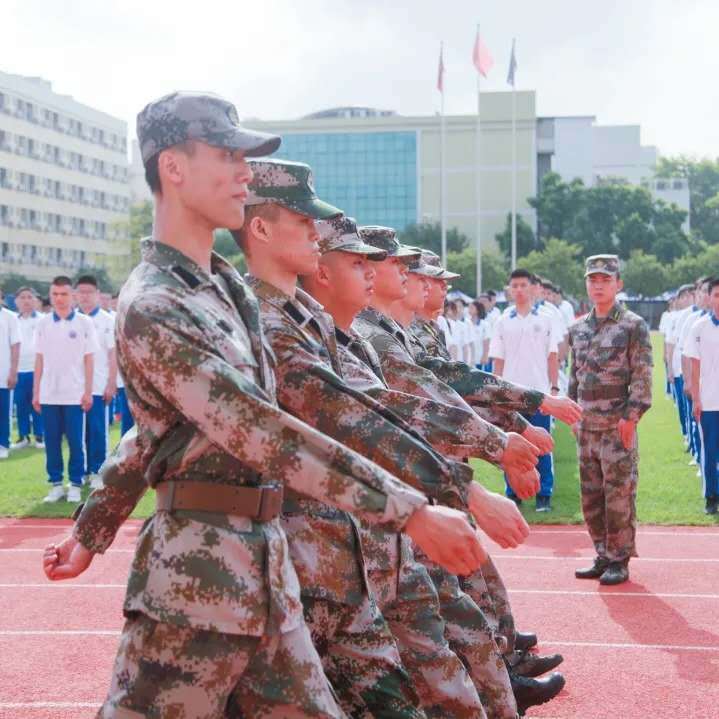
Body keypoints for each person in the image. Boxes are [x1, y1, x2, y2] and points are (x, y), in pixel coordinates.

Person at [43, 92, 479, 719]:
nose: (246, 171)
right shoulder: (156, 303)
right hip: (193, 585)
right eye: (228, 154)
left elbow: (170, 427)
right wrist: (409, 510)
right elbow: (256, 427)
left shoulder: (224, 289)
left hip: (265, 571)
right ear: (173, 167)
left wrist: (94, 525)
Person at [569, 255, 653, 585]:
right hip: (586, 427)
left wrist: (632, 417)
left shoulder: (633, 325)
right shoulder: (578, 328)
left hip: (617, 427)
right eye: (593, 279)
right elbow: (574, 377)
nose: (599, 285)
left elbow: (643, 374)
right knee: (591, 496)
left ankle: (620, 558)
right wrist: (573, 415)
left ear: (618, 284)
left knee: (618, 496)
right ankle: (602, 553)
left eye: (605, 279)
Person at [489, 269, 560, 512]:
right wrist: (495, 394)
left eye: (523, 285)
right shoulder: (502, 320)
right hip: (510, 396)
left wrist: (554, 387)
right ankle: (513, 493)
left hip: (539, 393)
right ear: (509, 290)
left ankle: (544, 495)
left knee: (542, 446)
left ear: (532, 288)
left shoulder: (545, 319)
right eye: (514, 286)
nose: (519, 290)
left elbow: (553, 356)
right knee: (511, 445)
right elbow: (497, 360)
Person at [32, 276, 96, 502]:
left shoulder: (84, 323)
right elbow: (39, 359)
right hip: (49, 393)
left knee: (76, 442)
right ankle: (56, 484)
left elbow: (89, 360)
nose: (59, 299)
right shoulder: (42, 323)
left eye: (64, 294)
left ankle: (76, 483)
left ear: (73, 296)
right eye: (55, 294)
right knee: (51, 441)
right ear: (51, 296)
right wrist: (36, 392)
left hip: (75, 394)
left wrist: (88, 391)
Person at [75, 275, 117, 488]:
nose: (85, 296)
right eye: (81, 292)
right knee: (77, 433)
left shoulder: (107, 321)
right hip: (73, 388)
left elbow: (113, 355)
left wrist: (111, 383)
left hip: (99, 386)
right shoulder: (71, 320)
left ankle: (97, 471)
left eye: (89, 292)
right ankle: (80, 472)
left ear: (98, 295)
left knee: (97, 430)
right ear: (75, 295)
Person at [686, 276, 719, 514]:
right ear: (709, 298)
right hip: (708, 401)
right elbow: (694, 365)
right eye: (716, 295)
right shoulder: (699, 327)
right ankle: (711, 497)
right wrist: (696, 398)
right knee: (709, 451)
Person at [11, 286, 44, 450]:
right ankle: (23, 436)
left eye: (29, 297)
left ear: (35, 300)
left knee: (37, 403)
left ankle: (40, 435)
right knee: (21, 404)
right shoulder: (12, 319)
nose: (26, 301)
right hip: (17, 370)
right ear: (16, 301)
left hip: (37, 369)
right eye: (22, 297)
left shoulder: (43, 319)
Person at [0, 288, 21, 459]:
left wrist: (13, 371)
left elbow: (15, 346)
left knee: (3, 411)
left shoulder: (10, 317)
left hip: (3, 373)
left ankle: (3, 444)